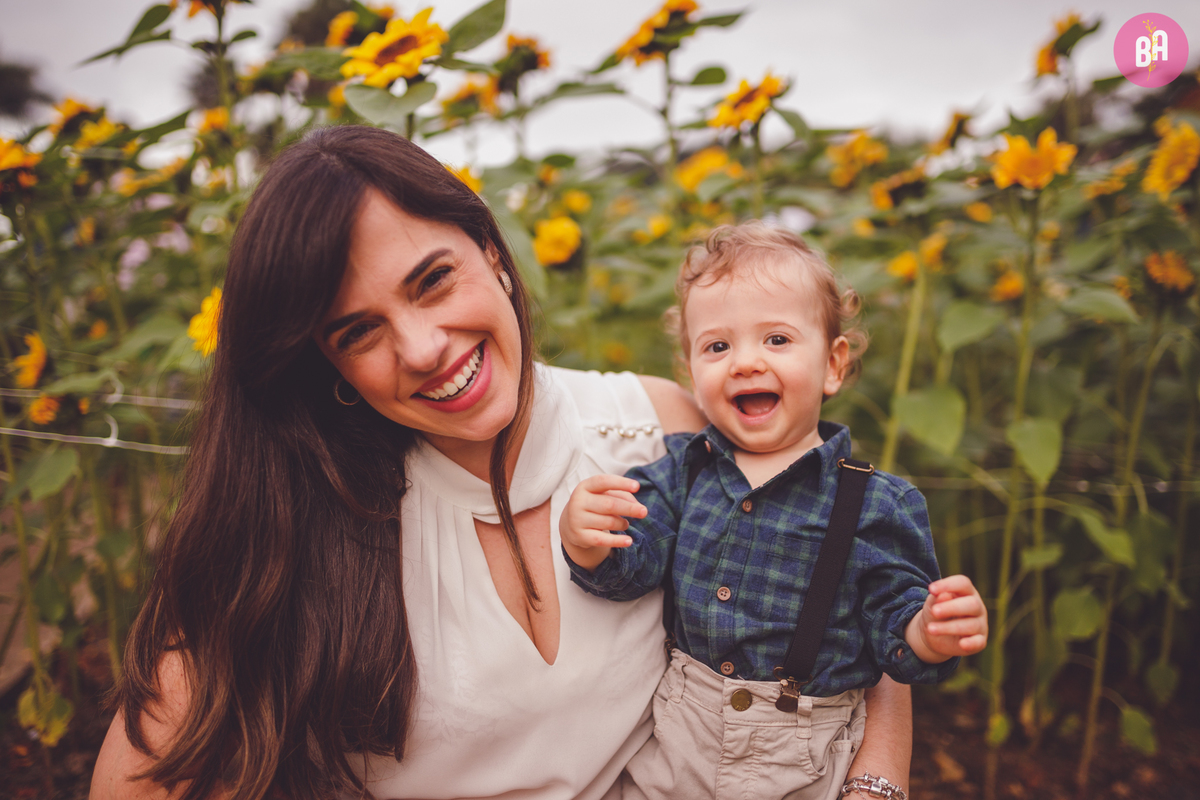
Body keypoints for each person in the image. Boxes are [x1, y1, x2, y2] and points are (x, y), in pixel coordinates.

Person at [91, 127, 916, 800]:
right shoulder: (298, 518)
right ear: (327, 366)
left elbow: (852, 573)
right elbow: (144, 777)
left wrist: (874, 784)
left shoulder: (659, 425)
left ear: (490, 248)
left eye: (432, 280)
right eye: (357, 331)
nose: (422, 349)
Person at [560, 223, 988, 799]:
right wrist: (588, 540)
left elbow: (893, 618)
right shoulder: (683, 471)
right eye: (717, 346)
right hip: (679, 737)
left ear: (834, 364)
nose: (744, 363)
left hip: (804, 753)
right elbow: (631, 569)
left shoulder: (875, 502)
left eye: (777, 340)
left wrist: (926, 631)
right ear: (691, 372)